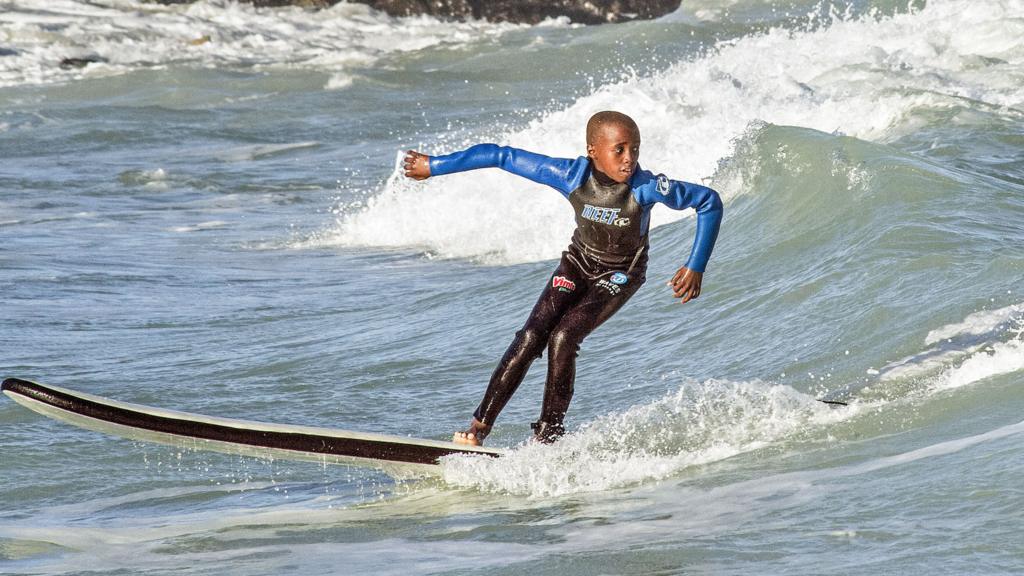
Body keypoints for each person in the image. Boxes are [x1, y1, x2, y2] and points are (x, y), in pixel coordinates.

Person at [402, 111, 723, 445]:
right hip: (577, 263)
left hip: (620, 274)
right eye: (620, 150)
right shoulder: (571, 176)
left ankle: (548, 435)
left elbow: (709, 202)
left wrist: (695, 265)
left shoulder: (647, 189)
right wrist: (434, 165)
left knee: (564, 338)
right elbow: (501, 156)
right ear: (593, 151)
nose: (630, 160)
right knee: (530, 337)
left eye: (635, 150)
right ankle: (479, 427)